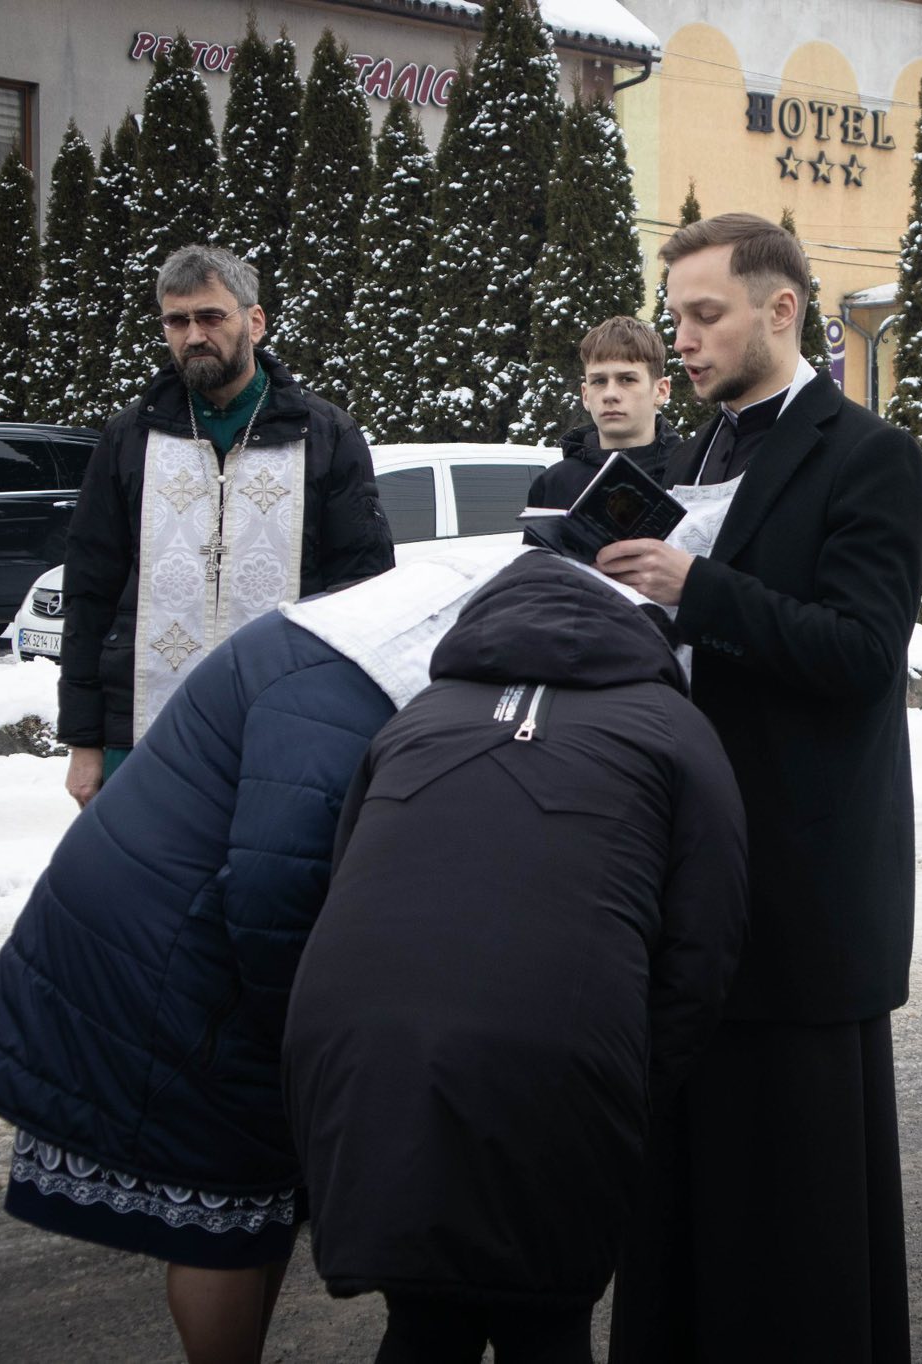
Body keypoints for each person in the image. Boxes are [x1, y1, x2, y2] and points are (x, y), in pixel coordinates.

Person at [0, 547, 516, 1364]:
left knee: (254, 1191)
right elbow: (275, 892)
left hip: (174, 922)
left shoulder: (334, 648)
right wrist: (306, 1042)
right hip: (174, 951)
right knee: (222, 1207)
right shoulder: (334, 698)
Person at [594, 212, 922, 1363]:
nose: (680, 339)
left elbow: (859, 652)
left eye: (703, 315)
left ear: (779, 309)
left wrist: (693, 590)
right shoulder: (692, 455)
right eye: (675, 316)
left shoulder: (868, 455)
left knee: (794, 1232)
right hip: (681, 878)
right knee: (682, 1213)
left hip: (798, 896)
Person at [282, 551, 749, 1364]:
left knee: (424, 1320)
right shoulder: (675, 728)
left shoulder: (415, 716)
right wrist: (634, 1081)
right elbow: (705, 945)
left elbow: (347, 878)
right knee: (544, 1321)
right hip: (559, 1052)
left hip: (363, 1048)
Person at [57, 243, 394, 808]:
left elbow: (363, 591)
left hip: (290, 726)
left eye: (211, 316)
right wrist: (84, 741)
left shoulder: (325, 434)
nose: (193, 336)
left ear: (254, 322)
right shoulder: (129, 437)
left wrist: (354, 727)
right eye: (177, 321)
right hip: (142, 728)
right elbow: (90, 591)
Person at [526, 315, 682, 510]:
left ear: (661, 391)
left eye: (627, 379)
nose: (610, 394)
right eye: (599, 381)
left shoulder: (693, 475)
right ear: (585, 395)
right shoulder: (553, 486)